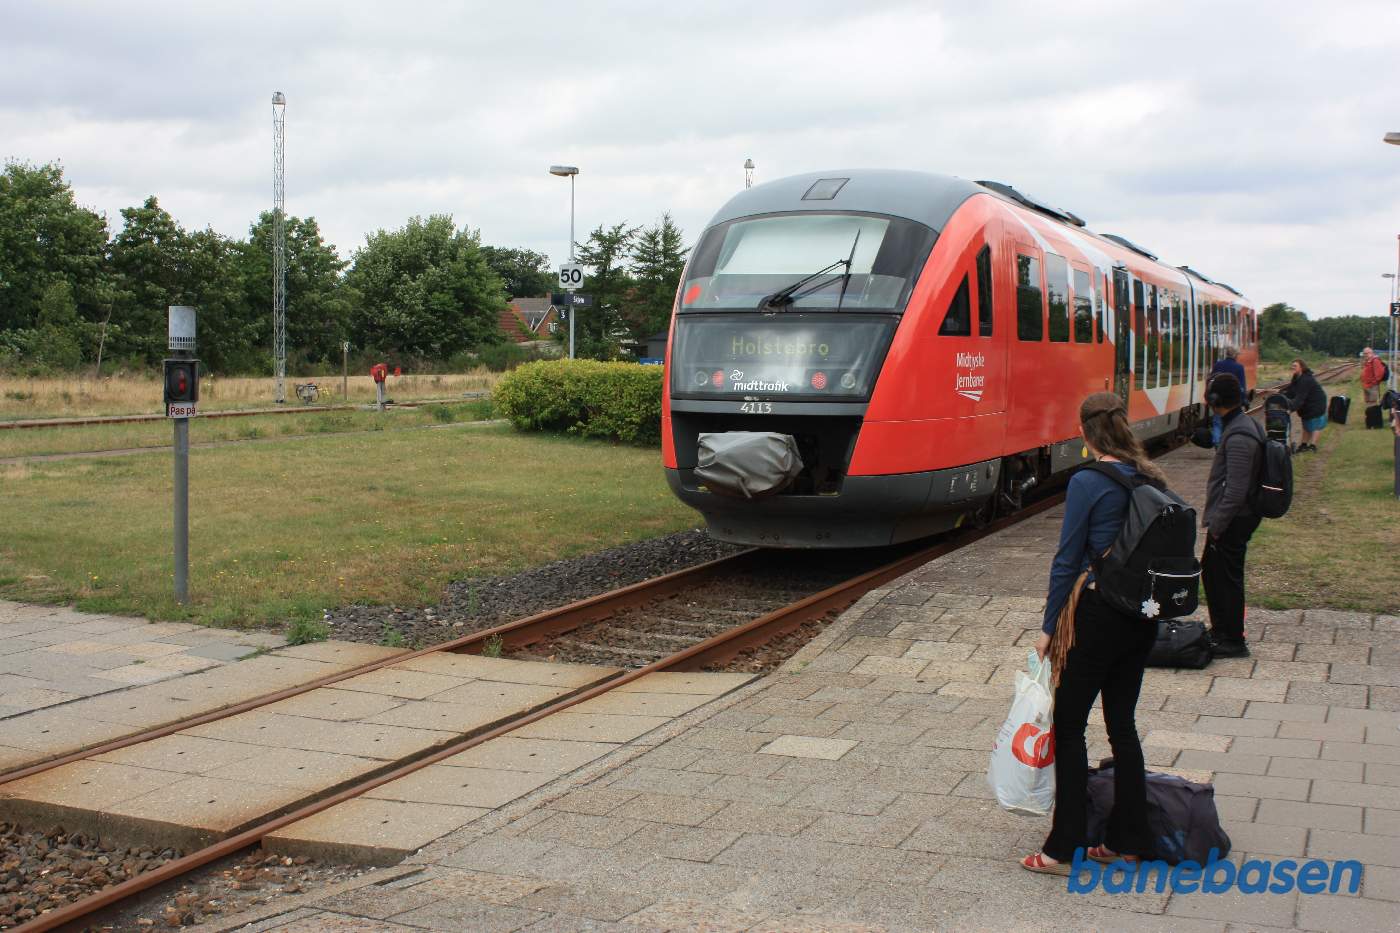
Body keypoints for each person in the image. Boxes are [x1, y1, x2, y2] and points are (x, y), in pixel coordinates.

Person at [1021, 392, 1164, 876]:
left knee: (1069, 725)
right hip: (1142, 617)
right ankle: (1129, 840)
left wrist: (1048, 627)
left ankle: (1065, 845)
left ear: (1084, 431)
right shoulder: (1149, 475)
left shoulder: (1087, 480)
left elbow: (1067, 559)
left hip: (1099, 615)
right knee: (1122, 725)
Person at [1201, 373, 1263, 658]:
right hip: (1234, 518)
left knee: (1226, 577)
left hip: (1234, 519)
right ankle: (1223, 630)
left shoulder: (1239, 435)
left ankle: (1233, 638)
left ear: (1215, 401)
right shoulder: (1241, 424)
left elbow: (1236, 491)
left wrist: (1217, 525)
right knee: (1214, 573)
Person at [1280, 358, 1327, 452]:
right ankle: (1304, 445)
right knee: (1306, 424)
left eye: (1295, 366)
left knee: (1315, 425)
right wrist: (1280, 395)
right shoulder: (1296, 377)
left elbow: (1299, 398)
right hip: (1307, 404)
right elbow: (1291, 391)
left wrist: (1290, 409)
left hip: (1316, 403)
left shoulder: (1306, 379)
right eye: (1292, 365)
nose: (1292, 367)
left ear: (1301, 367)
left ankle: (1313, 446)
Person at [1209, 347, 1247, 445]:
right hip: (1232, 401)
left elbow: (1211, 381)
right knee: (1232, 422)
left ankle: (1217, 443)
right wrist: (1243, 400)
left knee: (1217, 422)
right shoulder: (1239, 367)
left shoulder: (1218, 365)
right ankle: (1229, 441)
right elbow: (1241, 387)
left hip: (1218, 399)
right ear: (1235, 355)